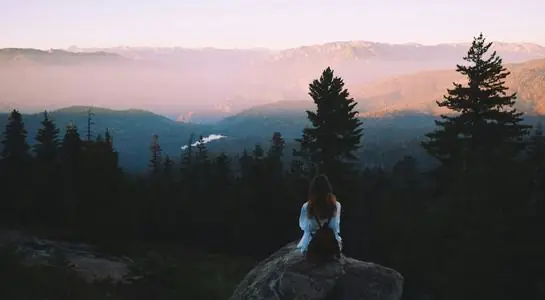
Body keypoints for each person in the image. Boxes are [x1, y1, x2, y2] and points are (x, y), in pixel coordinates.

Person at [296, 174, 342, 259]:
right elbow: (336, 227)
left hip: (312, 245)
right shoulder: (336, 205)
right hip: (330, 245)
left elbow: (302, 226)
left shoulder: (306, 207)